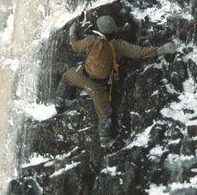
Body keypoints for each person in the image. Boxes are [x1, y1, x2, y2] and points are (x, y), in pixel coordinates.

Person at [56, 15, 176, 152]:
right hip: (97, 87)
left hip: (80, 75)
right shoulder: (119, 45)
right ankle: (106, 142)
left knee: (66, 77)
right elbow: (140, 52)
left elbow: (76, 46)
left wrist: (72, 31)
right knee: (105, 113)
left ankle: (60, 102)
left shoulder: (92, 40)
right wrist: (162, 49)